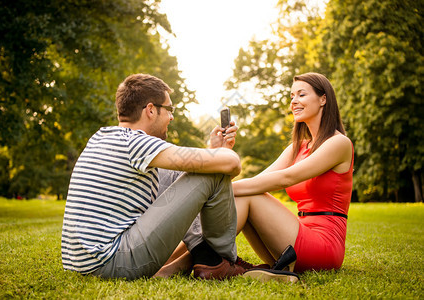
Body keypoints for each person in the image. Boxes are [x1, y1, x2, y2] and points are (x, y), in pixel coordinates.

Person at [61, 73, 257, 281]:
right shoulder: (137, 143)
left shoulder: (102, 136)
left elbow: (186, 179)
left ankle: (203, 255)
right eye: (169, 109)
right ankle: (219, 262)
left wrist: (214, 151)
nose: (171, 117)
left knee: (174, 172)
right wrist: (221, 154)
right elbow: (232, 164)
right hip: (112, 262)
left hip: (82, 262)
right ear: (151, 110)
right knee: (214, 172)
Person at [233, 72, 353, 282]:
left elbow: (286, 178)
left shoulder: (339, 143)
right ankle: (197, 259)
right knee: (246, 193)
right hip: (293, 239)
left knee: (248, 194)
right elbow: (262, 179)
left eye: (301, 94)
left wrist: (223, 189)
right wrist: (222, 186)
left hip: (324, 245)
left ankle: (203, 261)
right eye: (291, 96)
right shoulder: (298, 147)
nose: (294, 101)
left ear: (323, 99)